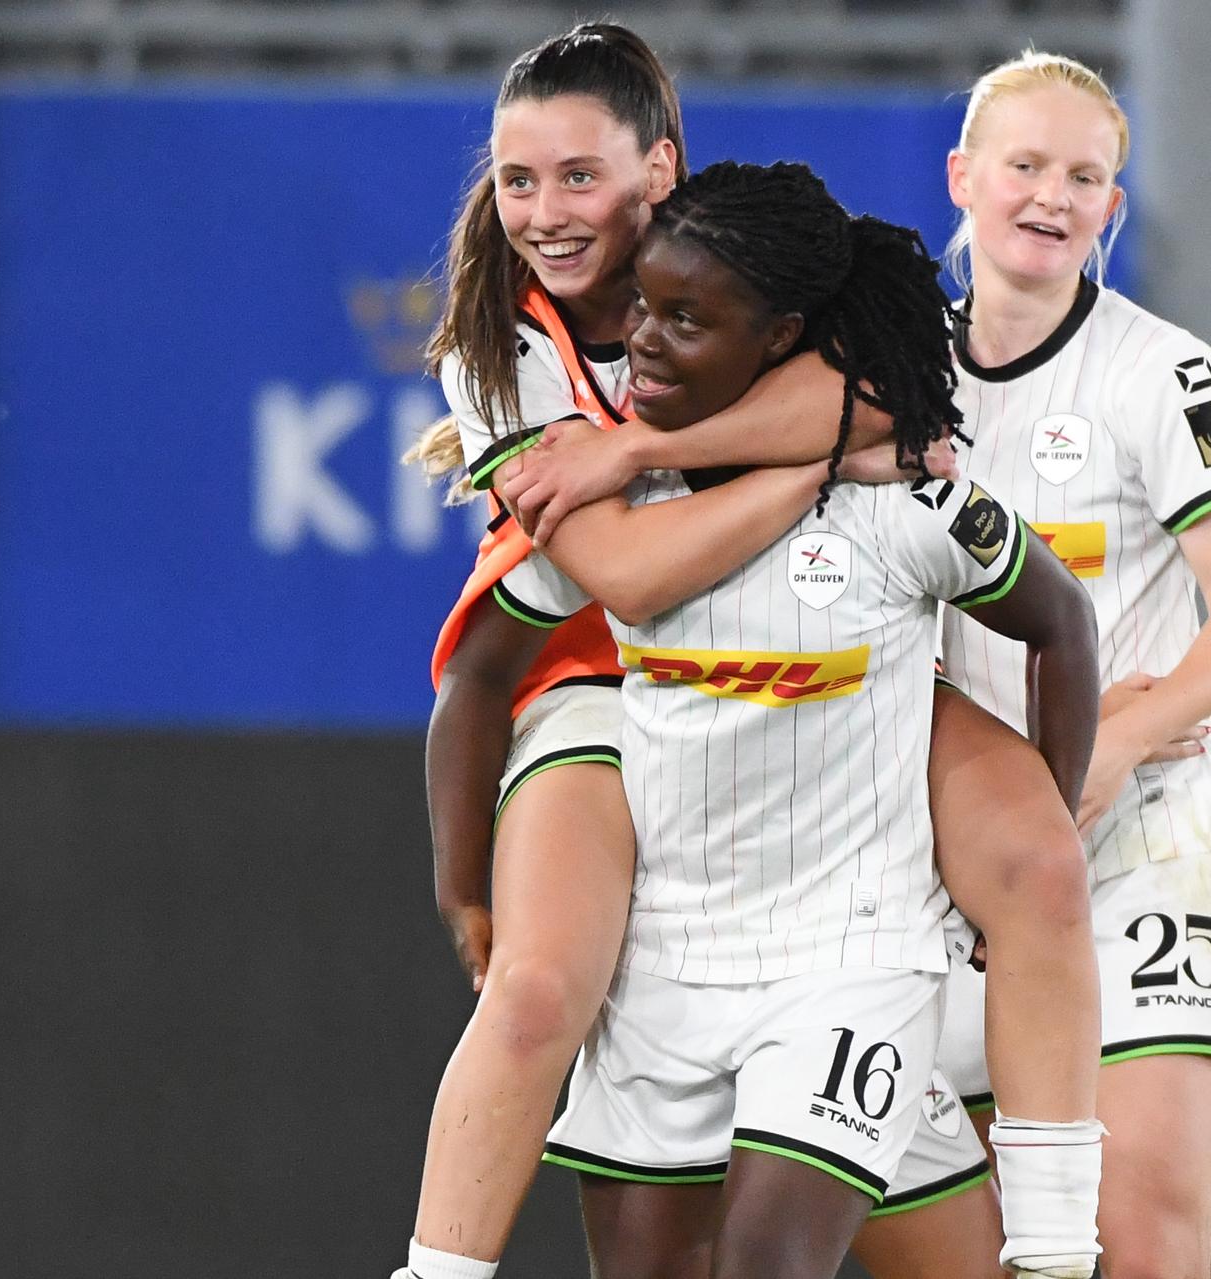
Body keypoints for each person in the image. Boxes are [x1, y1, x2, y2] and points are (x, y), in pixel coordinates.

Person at [503, 158, 1102, 1279]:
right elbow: (483, 670)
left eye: (687, 319)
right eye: (642, 305)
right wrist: (464, 877)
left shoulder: (906, 499)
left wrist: (1052, 810)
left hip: (849, 962)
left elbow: (1063, 622)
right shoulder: (608, 499)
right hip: (665, 965)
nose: (643, 339)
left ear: (781, 336)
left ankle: (1063, 1246)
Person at [393, 26, 927, 1279]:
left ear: (660, 168)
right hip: (611, 676)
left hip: (820, 663)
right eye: (519, 180)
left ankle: (1060, 1208)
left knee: (1023, 859)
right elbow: (624, 580)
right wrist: (815, 466)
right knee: (538, 989)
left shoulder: (746, 249)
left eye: (581, 175)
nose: (546, 212)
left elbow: (905, 387)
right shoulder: (495, 345)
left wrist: (638, 449)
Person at [933, 50, 1211, 1279]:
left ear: (1113, 207)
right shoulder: (892, 374)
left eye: (1084, 177)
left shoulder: (1163, 371)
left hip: (1143, 840)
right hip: (961, 852)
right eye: (1025, 165)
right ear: (963, 178)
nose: (1052, 196)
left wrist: (1120, 740)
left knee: (1142, 1241)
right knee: (1000, 1253)